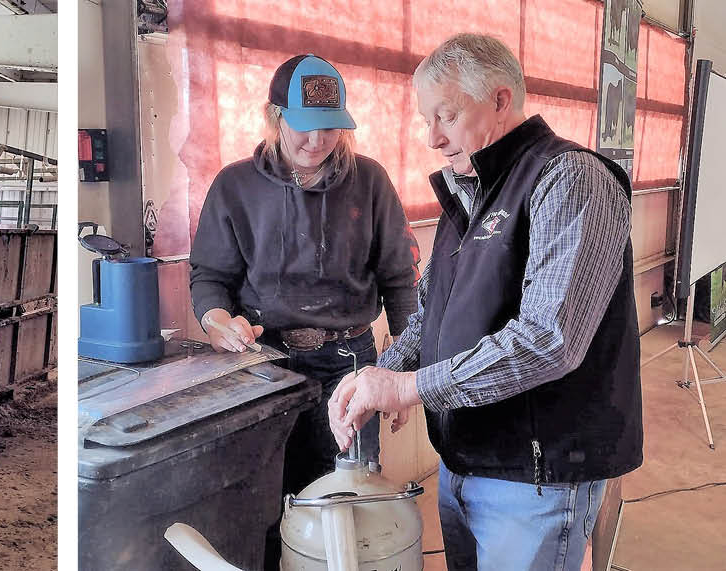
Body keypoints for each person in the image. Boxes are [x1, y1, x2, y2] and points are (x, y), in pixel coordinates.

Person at [328, 33, 641, 570]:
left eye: (446, 116)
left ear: (500, 100)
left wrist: (409, 387)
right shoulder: (470, 192)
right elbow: (433, 313)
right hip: (464, 461)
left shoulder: (568, 179)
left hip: (535, 476)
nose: (432, 138)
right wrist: (381, 375)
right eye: (427, 120)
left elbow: (550, 340)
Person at [189, 53, 420, 498]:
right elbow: (210, 276)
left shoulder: (370, 181)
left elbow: (400, 281)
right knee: (268, 498)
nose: (317, 140)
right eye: (303, 125)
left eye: (330, 127)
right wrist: (216, 320)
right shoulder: (235, 186)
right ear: (275, 118)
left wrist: (403, 373)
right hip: (264, 360)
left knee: (352, 499)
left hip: (348, 362)